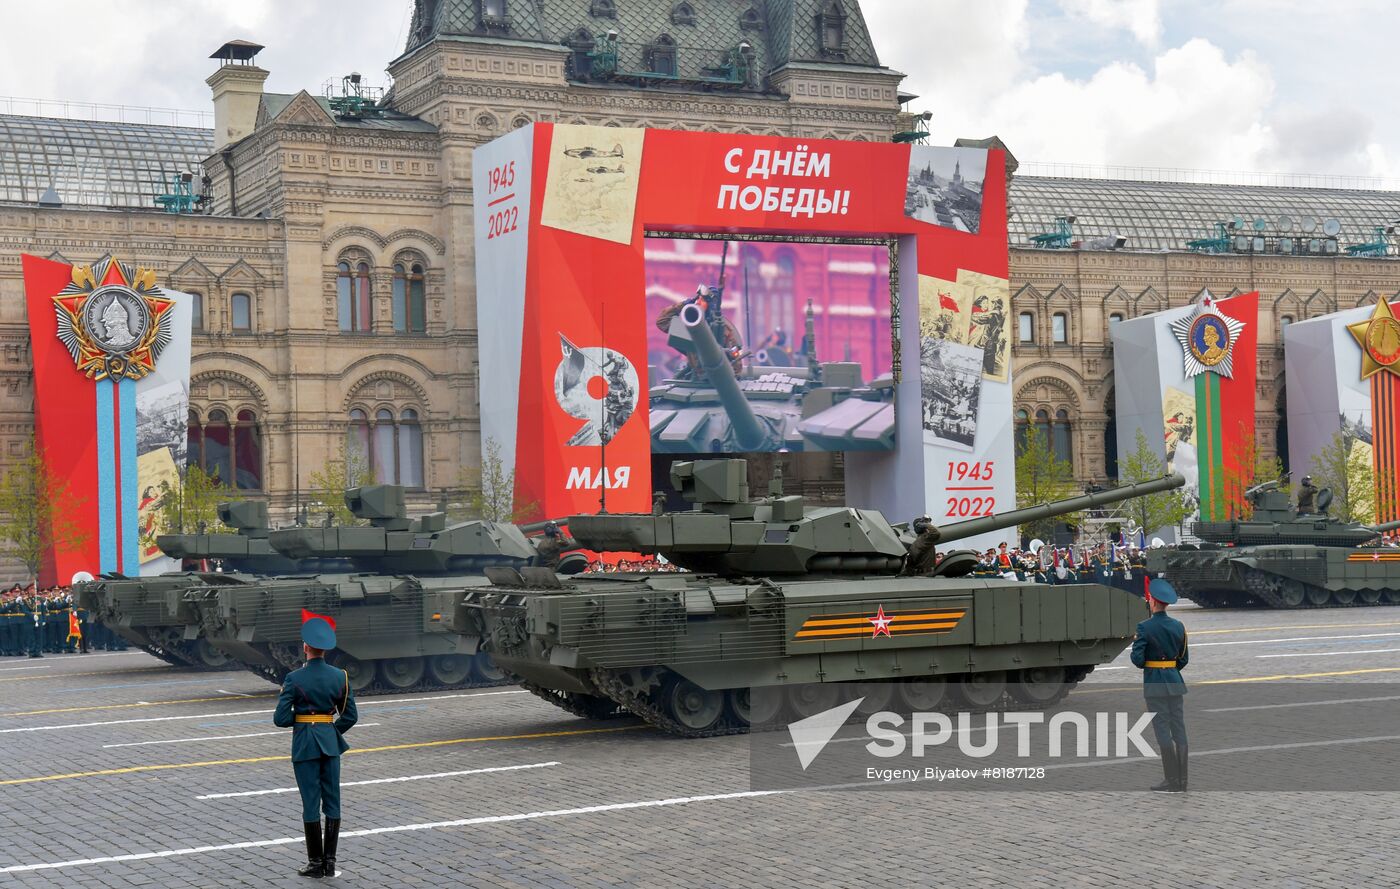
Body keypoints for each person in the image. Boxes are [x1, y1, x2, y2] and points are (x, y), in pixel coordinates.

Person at [273, 614, 358, 878]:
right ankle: (330, 863)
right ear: (325, 648)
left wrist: (301, 721)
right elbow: (350, 716)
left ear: (305, 647)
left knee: (311, 803)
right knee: (332, 802)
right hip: (330, 745)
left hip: (304, 746)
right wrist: (329, 730)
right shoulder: (340, 676)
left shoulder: (293, 678)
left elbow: (280, 718)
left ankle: (315, 863)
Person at [1131, 577, 1189, 793]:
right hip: (1175, 683)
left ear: (1152, 602)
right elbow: (1183, 659)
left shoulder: (1144, 627)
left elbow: (1137, 661)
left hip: (1155, 685)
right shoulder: (1178, 626)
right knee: (1179, 730)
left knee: (1163, 731)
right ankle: (1182, 781)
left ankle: (1171, 780)